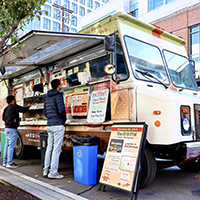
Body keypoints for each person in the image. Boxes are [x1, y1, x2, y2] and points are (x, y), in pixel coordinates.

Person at [43, 79, 66, 179]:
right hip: (58, 124)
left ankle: (45, 170)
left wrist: (50, 118)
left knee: (49, 148)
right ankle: (53, 172)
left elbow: (45, 111)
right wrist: (63, 119)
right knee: (56, 149)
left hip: (50, 125)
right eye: (60, 84)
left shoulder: (47, 97)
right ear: (58, 86)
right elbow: (61, 110)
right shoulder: (58, 95)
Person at [2, 95, 31, 168]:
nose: (15, 101)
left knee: (7, 145)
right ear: (12, 100)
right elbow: (23, 110)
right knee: (11, 146)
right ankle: (10, 163)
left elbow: (3, 118)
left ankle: (5, 162)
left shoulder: (6, 108)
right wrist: (28, 106)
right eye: (14, 99)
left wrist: (8, 121)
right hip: (12, 129)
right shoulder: (14, 107)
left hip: (7, 128)